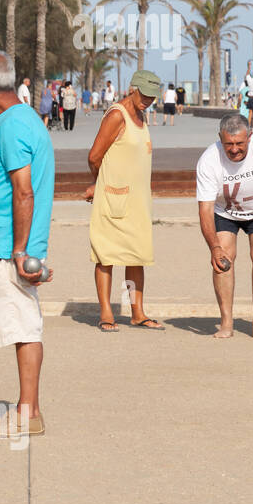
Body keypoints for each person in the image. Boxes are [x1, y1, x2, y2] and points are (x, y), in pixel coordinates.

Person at [0, 50, 55, 438]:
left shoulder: (14, 124)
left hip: (8, 248)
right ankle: (27, 410)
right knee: (21, 324)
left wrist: (20, 251)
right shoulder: (16, 119)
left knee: (23, 327)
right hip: (2, 243)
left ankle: (27, 413)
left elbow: (24, 192)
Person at [84, 69, 164, 332]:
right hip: (114, 198)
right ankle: (106, 312)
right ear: (133, 88)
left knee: (136, 256)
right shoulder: (117, 115)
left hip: (138, 202)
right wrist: (101, 183)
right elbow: (94, 156)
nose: (148, 100)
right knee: (106, 255)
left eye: (153, 97)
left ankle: (137, 312)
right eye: (145, 95)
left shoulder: (141, 116)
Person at [196, 114, 253, 339]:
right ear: (220, 138)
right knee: (224, 258)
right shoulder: (208, 160)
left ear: (250, 136)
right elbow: (205, 210)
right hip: (224, 212)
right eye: (229, 144)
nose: (234, 149)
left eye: (239, 143)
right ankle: (226, 321)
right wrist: (214, 248)